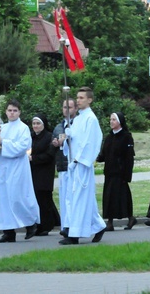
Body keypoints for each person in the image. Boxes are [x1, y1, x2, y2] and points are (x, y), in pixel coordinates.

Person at [60, 87, 106, 245]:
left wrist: (79, 160)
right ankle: (98, 225)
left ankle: (74, 235)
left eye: (81, 98)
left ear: (89, 100)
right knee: (79, 198)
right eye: (77, 98)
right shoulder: (78, 119)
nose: (78, 100)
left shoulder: (91, 119)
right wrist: (68, 137)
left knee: (80, 198)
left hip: (82, 165)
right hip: (74, 164)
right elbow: (74, 141)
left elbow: (90, 142)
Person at [0, 99, 39, 243]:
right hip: (3, 167)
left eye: (15, 111)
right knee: (4, 199)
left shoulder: (23, 128)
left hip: (17, 167)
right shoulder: (2, 128)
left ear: (19, 112)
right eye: (9, 110)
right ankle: (8, 231)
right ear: (6, 112)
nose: (12, 113)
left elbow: (22, 147)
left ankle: (30, 223)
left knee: (17, 197)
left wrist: (3, 142)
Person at [96, 112, 136, 231]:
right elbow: (104, 154)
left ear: (120, 122)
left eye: (114, 119)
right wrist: (96, 157)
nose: (111, 122)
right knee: (109, 197)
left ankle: (130, 218)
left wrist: (127, 175)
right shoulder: (109, 137)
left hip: (121, 172)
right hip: (109, 172)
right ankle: (109, 221)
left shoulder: (126, 136)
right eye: (110, 119)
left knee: (123, 197)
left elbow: (129, 157)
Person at [30, 113, 60, 235]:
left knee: (44, 198)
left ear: (43, 124)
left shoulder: (49, 137)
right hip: (33, 171)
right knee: (37, 198)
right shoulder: (31, 136)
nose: (35, 126)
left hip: (45, 171)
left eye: (38, 123)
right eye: (34, 124)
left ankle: (46, 226)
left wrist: (34, 158)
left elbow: (49, 154)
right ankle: (48, 222)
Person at [51, 98, 76, 237]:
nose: (67, 110)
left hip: (73, 166)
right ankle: (65, 225)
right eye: (65, 107)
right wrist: (55, 143)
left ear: (75, 109)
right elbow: (54, 146)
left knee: (71, 198)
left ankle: (71, 225)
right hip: (62, 166)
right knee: (64, 198)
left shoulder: (77, 125)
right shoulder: (59, 127)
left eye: (70, 107)